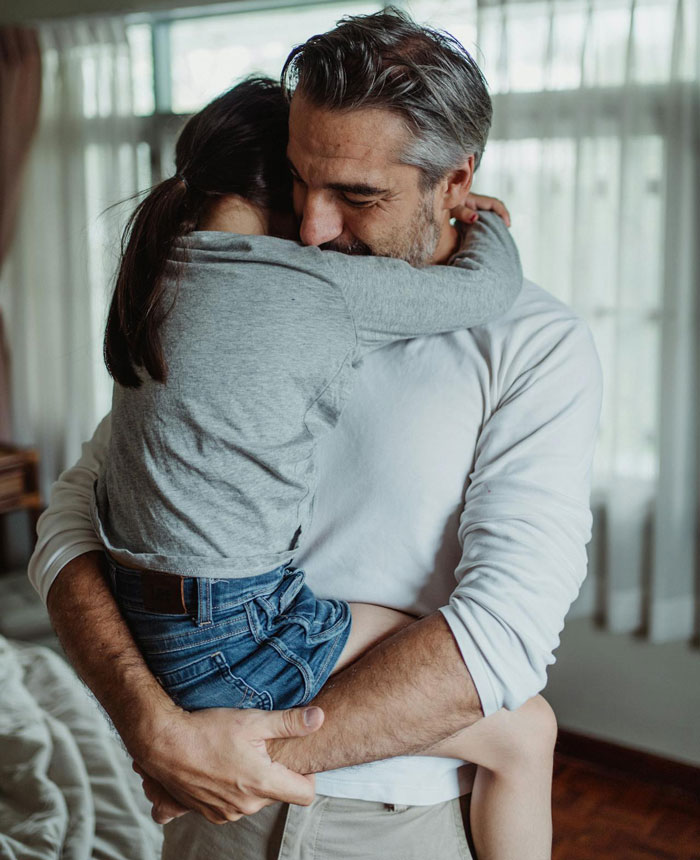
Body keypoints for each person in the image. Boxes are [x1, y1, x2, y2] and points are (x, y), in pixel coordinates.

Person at [29, 9, 602, 860]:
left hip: (387, 826)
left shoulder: (531, 345)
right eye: (299, 181)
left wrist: (219, 757)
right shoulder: (239, 296)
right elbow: (77, 517)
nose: (313, 228)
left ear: (456, 181)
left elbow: (501, 638)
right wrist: (149, 727)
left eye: (359, 197)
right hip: (203, 815)